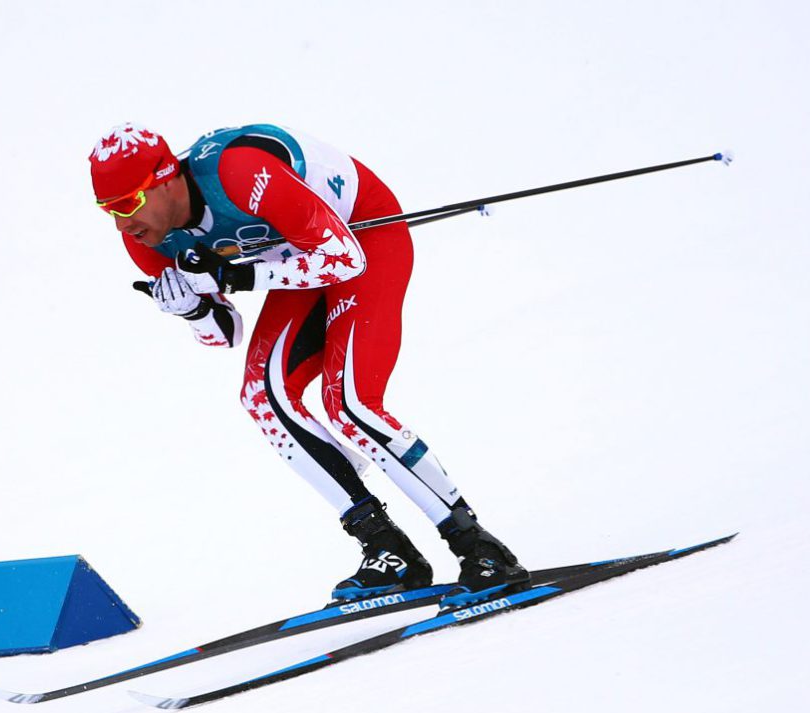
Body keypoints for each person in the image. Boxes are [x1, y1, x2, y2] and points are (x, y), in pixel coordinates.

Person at [88, 122, 529, 603]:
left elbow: (343, 259)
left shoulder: (237, 173)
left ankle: (479, 547)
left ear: (167, 178)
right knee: (261, 397)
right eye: (107, 210)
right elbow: (226, 334)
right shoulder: (146, 239)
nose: (121, 223)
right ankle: (385, 546)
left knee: (349, 405)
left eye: (128, 203)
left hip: (362, 237)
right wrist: (193, 309)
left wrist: (242, 275)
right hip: (297, 262)